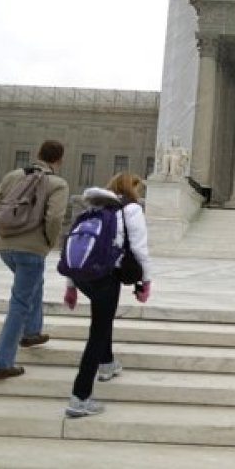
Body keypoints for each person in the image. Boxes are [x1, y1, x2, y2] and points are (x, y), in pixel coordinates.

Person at [62, 171, 152, 417]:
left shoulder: (90, 210)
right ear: (132, 188)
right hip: (105, 277)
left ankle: (107, 363)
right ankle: (80, 397)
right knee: (97, 333)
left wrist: (70, 286)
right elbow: (140, 249)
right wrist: (146, 281)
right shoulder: (131, 210)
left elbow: (74, 245)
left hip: (83, 277)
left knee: (103, 317)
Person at [0, 140, 69, 380]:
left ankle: (32, 332)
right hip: (32, 250)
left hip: (6, 248)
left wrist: (4, 230)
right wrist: (48, 242)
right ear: (59, 160)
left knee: (33, 283)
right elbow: (55, 218)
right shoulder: (57, 183)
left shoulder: (13, 176)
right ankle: (1, 362)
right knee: (19, 304)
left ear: (38, 154)